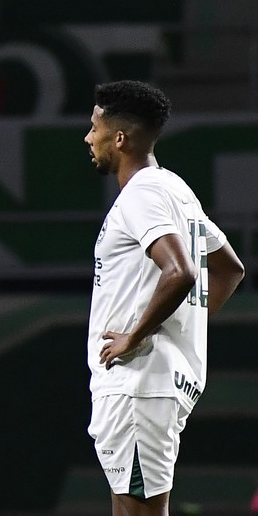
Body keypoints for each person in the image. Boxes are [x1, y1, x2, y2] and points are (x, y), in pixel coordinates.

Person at [83, 80, 245, 516]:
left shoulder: (142, 193)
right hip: (159, 382)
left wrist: (135, 336)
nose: (88, 137)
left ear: (120, 138)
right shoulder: (174, 188)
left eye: (94, 127)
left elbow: (182, 272)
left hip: (140, 385)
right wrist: (183, 328)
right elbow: (230, 268)